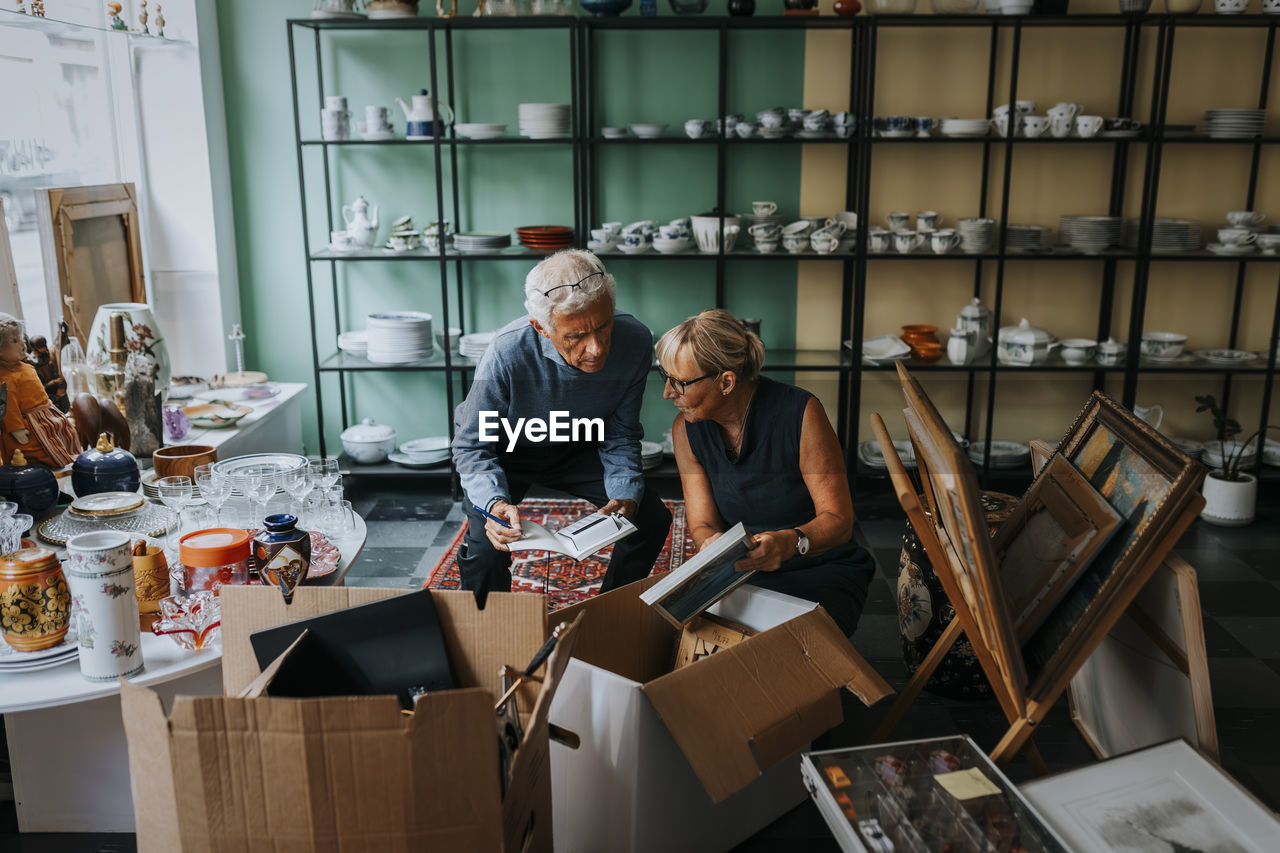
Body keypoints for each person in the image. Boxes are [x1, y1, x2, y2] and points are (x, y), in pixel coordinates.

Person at [452, 250, 672, 606]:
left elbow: (621, 430)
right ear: (541, 327)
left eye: (604, 327)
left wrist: (625, 491)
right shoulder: (506, 352)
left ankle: (610, 611)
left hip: (579, 444)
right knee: (487, 548)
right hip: (507, 448)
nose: (597, 348)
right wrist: (493, 503)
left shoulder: (635, 341)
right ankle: (484, 628)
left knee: (649, 518)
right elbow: (472, 446)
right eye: (576, 336)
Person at [654, 309, 873, 637]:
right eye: (665, 377)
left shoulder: (801, 414)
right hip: (743, 571)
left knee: (788, 651)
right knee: (680, 638)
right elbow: (703, 523)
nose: (668, 393)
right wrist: (713, 545)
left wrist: (788, 542)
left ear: (726, 382)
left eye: (680, 383)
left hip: (818, 565)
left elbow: (839, 522)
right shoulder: (686, 430)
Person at [0, 314, 79, 468]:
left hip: (44, 414)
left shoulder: (24, 366)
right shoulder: (5, 377)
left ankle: (66, 459)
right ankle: (46, 467)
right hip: (29, 422)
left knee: (64, 435)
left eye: (21, 338)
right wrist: (16, 429)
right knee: (39, 449)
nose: (22, 343)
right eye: (14, 341)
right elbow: (8, 406)